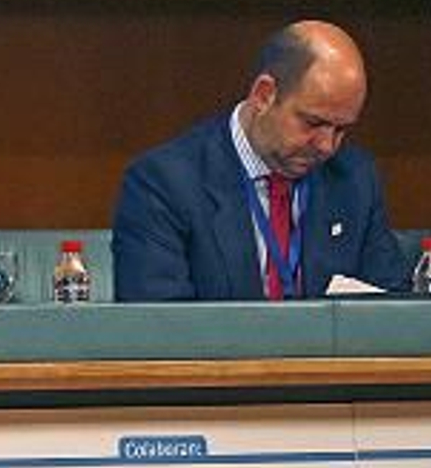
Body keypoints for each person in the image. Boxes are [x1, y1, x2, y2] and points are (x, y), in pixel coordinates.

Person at [112, 20, 407, 300]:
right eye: (313, 123)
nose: (327, 146)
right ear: (264, 95)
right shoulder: (164, 183)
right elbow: (157, 326)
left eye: (341, 129)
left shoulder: (354, 179)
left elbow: (390, 310)